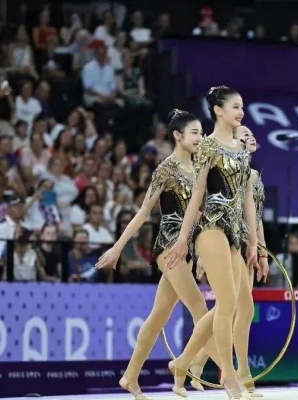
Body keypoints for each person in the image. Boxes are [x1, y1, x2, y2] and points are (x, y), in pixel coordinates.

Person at [95, 109, 223, 400]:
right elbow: (143, 212)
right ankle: (231, 376)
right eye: (194, 133)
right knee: (199, 308)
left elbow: (199, 214)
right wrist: (117, 247)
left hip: (187, 248)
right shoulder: (166, 169)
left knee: (158, 317)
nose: (200, 138)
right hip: (168, 246)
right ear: (177, 135)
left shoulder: (198, 167)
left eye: (202, 133)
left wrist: (202, 252)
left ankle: (130, 376)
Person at [165, 86, 266, 399]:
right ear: (218, 110)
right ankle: (229, 376)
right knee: (227, 302)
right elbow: (197, 194)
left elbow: (248, 199)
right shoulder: (207, 145)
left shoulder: (242, 151)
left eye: (242, 107)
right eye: (235, 106)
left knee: (232, 303)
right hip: (211, 228)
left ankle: (182, 363)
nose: (241, 112)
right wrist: (184, 239)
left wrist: (254, 242)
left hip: (235, 233)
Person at [189, 125, 269, 396]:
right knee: (235, 307)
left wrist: (261, 250)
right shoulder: (223, 165)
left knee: (238, 309)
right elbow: (203, 204)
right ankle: (239, 374)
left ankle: (192, 362)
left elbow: (256, 217)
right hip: (224, 237)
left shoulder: (253, 174)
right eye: (244, 135)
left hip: (245, 243)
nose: (250, 137)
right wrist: (202, 251)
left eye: (251, 134)